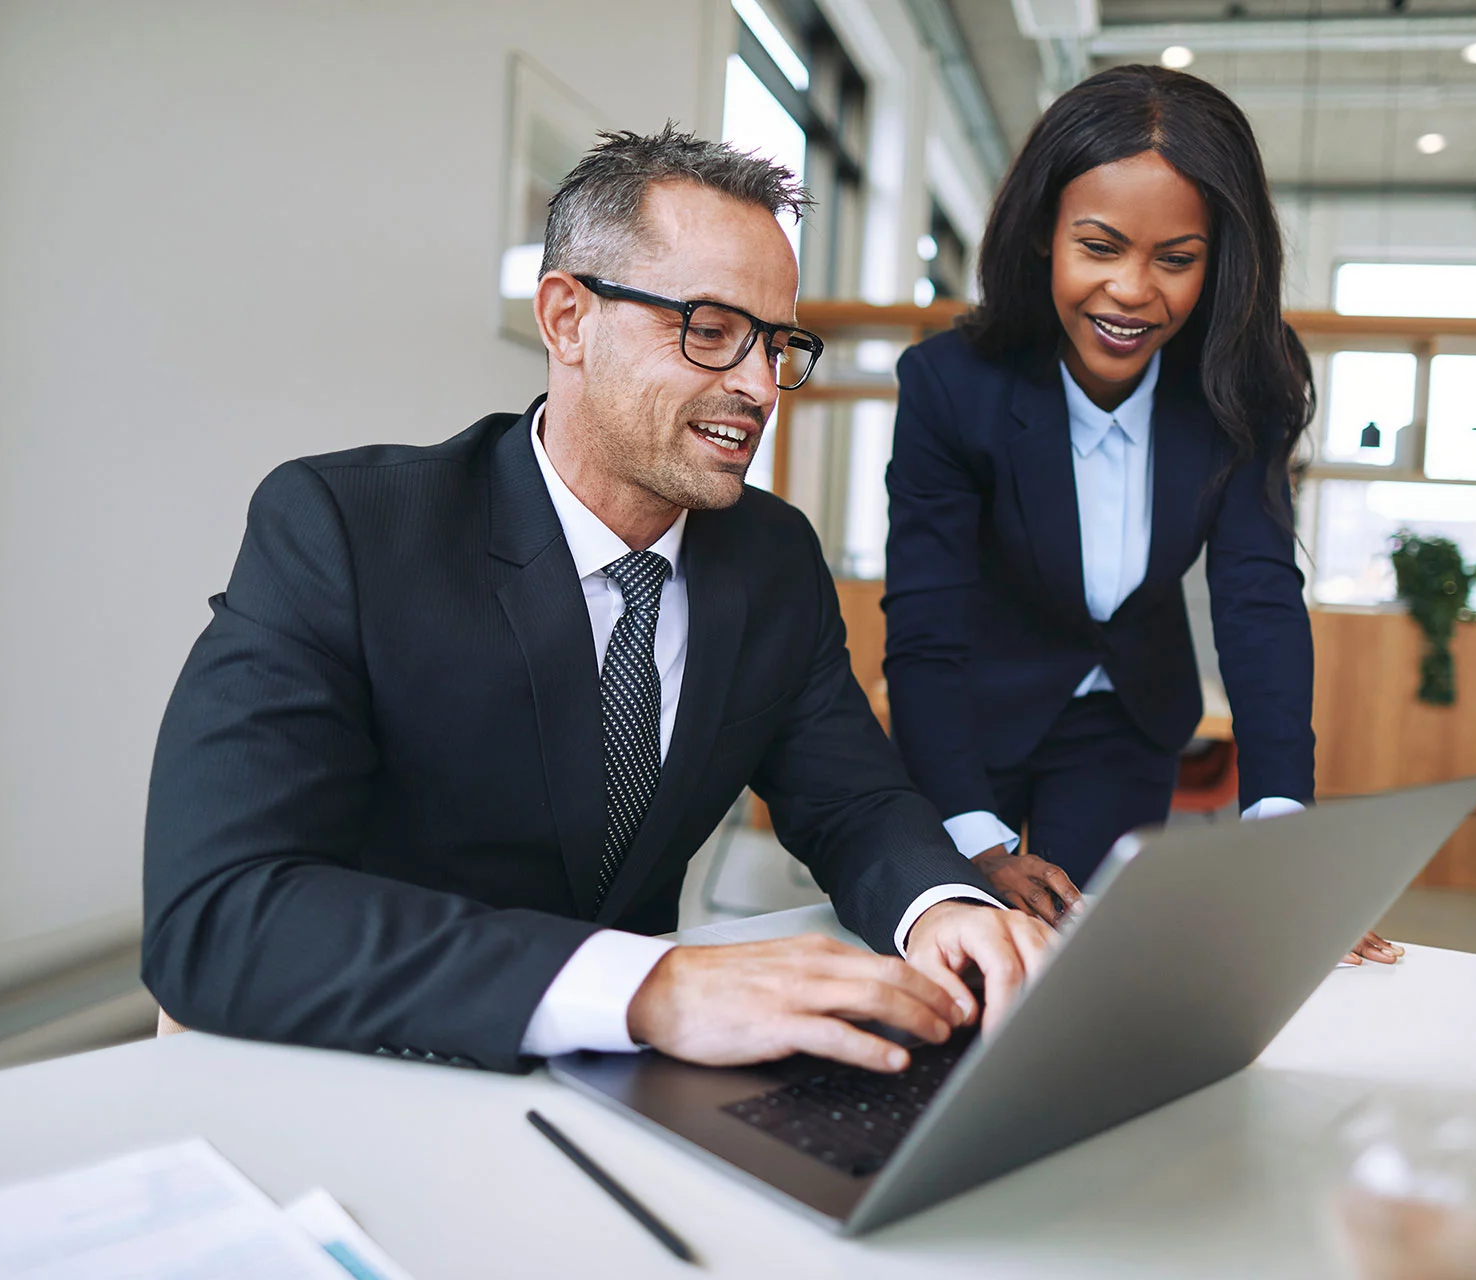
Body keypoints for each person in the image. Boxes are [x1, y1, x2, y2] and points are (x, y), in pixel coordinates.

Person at [143, 126, 1053, 1076]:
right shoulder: (347, 529)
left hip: (617, 1088)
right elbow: (217, 910)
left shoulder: (772, 556)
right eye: (709, 330)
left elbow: (856, 800)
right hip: (370, 1065)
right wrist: (649, 987)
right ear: (567, 319)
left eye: (778, 345)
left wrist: (938, 908)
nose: (756, 386)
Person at [883, 67, 1397, 965]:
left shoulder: (1245, 382)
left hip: (1127, 723)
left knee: (1090, 967)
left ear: (1219, 259)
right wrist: (976, 838)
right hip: (971, 717)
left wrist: (1284, 837)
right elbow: (926, 629)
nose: (1131, 291)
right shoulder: (950, 387)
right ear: (1045, 234)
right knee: (964, 960)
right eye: (1100, 246)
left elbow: (1258, 599)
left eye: (1176, 259)